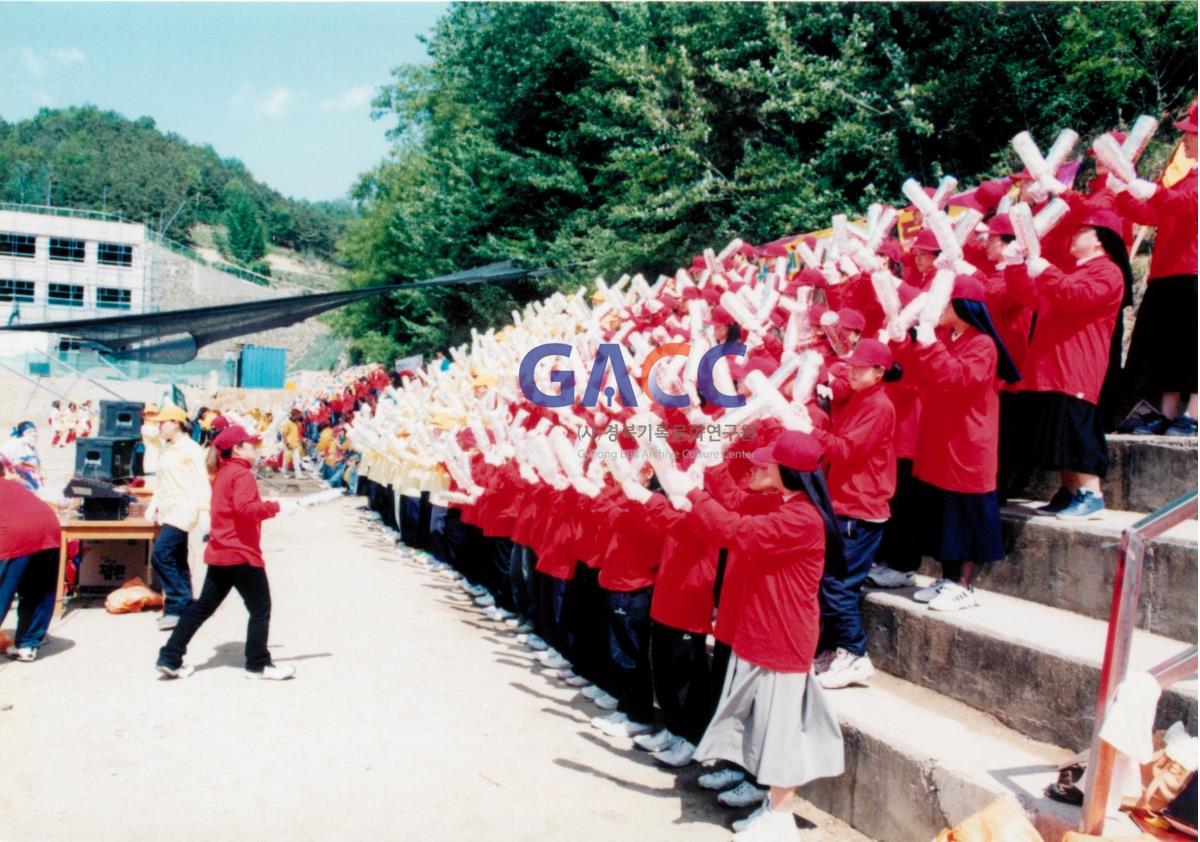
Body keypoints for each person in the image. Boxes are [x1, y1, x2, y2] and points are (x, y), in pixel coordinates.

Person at [683, 431, 844, 842]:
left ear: (787, 471)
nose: (761, 465)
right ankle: (771, 807)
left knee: (780, 731)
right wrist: (710, 467)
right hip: (767, 630)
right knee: (766, 726)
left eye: (769, 462)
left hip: (783, 636)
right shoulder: (787, 505)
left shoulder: (801, 518)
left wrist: (692, 494)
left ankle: (781, 816)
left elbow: (737, 531)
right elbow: (737, 508)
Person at [898, 275, 1021, 611]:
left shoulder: (983, 344)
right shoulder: (947, 338)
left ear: (963, 307)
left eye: (945, 303)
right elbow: (921, 372)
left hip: (968, 443)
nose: (938, 310)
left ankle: (964, 584)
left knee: (967, 515)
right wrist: (905, 343)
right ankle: (947, 578)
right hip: (942, 440)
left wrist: (930, 346)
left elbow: (958, 379)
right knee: (943, 514)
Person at [1004, 211, 1129, 519]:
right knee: (1059, 431)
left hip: (1078, 366)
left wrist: (1045, 270)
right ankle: (1070, 490)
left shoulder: (1108, 272)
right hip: (1054, 366)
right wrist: (1015, 266)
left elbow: (1074, 297)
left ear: (1100, 239)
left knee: (1077, 429)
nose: (1074, 237)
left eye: (1082, 231)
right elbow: (1029, 295)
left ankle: (1091, 493)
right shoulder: (1073, 272)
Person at [156, 424, 295, 680]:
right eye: (249, 443)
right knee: (260, 609)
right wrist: (276, 506)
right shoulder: (241, 475)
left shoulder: (223, 473)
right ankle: (258, 664)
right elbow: (246, 510)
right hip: (240, 553)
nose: (254, 447)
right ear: (238, 448)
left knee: (201, 609)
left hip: (221, 551)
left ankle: (170, 656)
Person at [810, 339, 897, 689]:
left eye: (862, 367)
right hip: (846, 502)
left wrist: (810, 431)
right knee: (830, 582)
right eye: (852, 365)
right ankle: (835, 650)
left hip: (860, 507)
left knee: (839, 585)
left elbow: (847, 451)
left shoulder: (879, 405)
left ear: (880, 372)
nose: (853, 371)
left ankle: (855, 653)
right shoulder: (861, 398)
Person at [1117, 99, 1199, 436]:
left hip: (1193, 269)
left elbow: (1185, 206)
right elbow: (1155, 214)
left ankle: (1193, 415)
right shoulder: (1187, 177)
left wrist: (1150, 190)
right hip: (1167, 271)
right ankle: (1167, 413)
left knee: (1192, 344)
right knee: (1168, 346)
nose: (1186, 140)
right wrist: (1123, 193)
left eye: (1192, 134)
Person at [144, 405, 211, 631]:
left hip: (184, 509)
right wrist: (154, 504)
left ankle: (175, 605)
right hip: (168, 509)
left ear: (176, 423)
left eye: (163, 423)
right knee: (178, 558)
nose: (159, 426)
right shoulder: (168, 449)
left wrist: (203, 511)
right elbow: (162, 482)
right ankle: (186, 604)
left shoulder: (191, 449)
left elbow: (201, 482)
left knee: (161, 555)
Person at [0, 462, 59, 662]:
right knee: (38, 590)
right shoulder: (15, 486)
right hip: (49, 530)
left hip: (14, 535)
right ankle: (27, 644)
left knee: (2, 589)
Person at [2, 421, 46, 493]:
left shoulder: (31, 446)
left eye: (35, 431)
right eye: (29, 432)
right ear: (22, 433)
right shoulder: (14, 444)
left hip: (31, 484)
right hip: (16, 485)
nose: (34, 434)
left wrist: (41, 472)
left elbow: (36, 465)